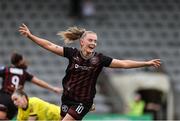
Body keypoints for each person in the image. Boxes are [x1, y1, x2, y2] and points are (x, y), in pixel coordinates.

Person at [19, 23, 161, 121]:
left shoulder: (100, 59)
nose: (93, 43)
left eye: (95, 41)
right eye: (91, 40)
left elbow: (123, 63)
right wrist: (31, 36)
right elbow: (50, 45)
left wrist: (146, 63)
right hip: (67, 97)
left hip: (83, 101)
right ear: (82, 42)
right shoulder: (72, 53)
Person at [0, 52, 62, 119]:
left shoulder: (6, 70)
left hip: (4, 96)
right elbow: (38, 81)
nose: (25, 61)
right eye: (23, 60)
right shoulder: (24, 73)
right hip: (16, 97)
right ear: (20, 61)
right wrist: (53, 88)